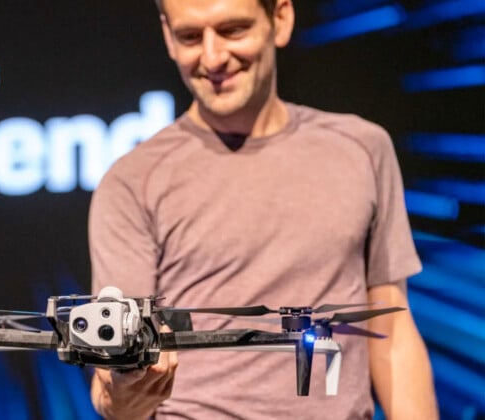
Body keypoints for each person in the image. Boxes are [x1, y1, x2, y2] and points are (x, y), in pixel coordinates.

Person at [87, 0, 438, 418]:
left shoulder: (362, 148)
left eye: (233, 29)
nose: (213, 57)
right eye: (190, 36)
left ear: (281, 18)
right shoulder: (132, 181)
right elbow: (113, 389)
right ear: (167, 34)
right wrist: (125, 394)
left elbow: (391, 331)